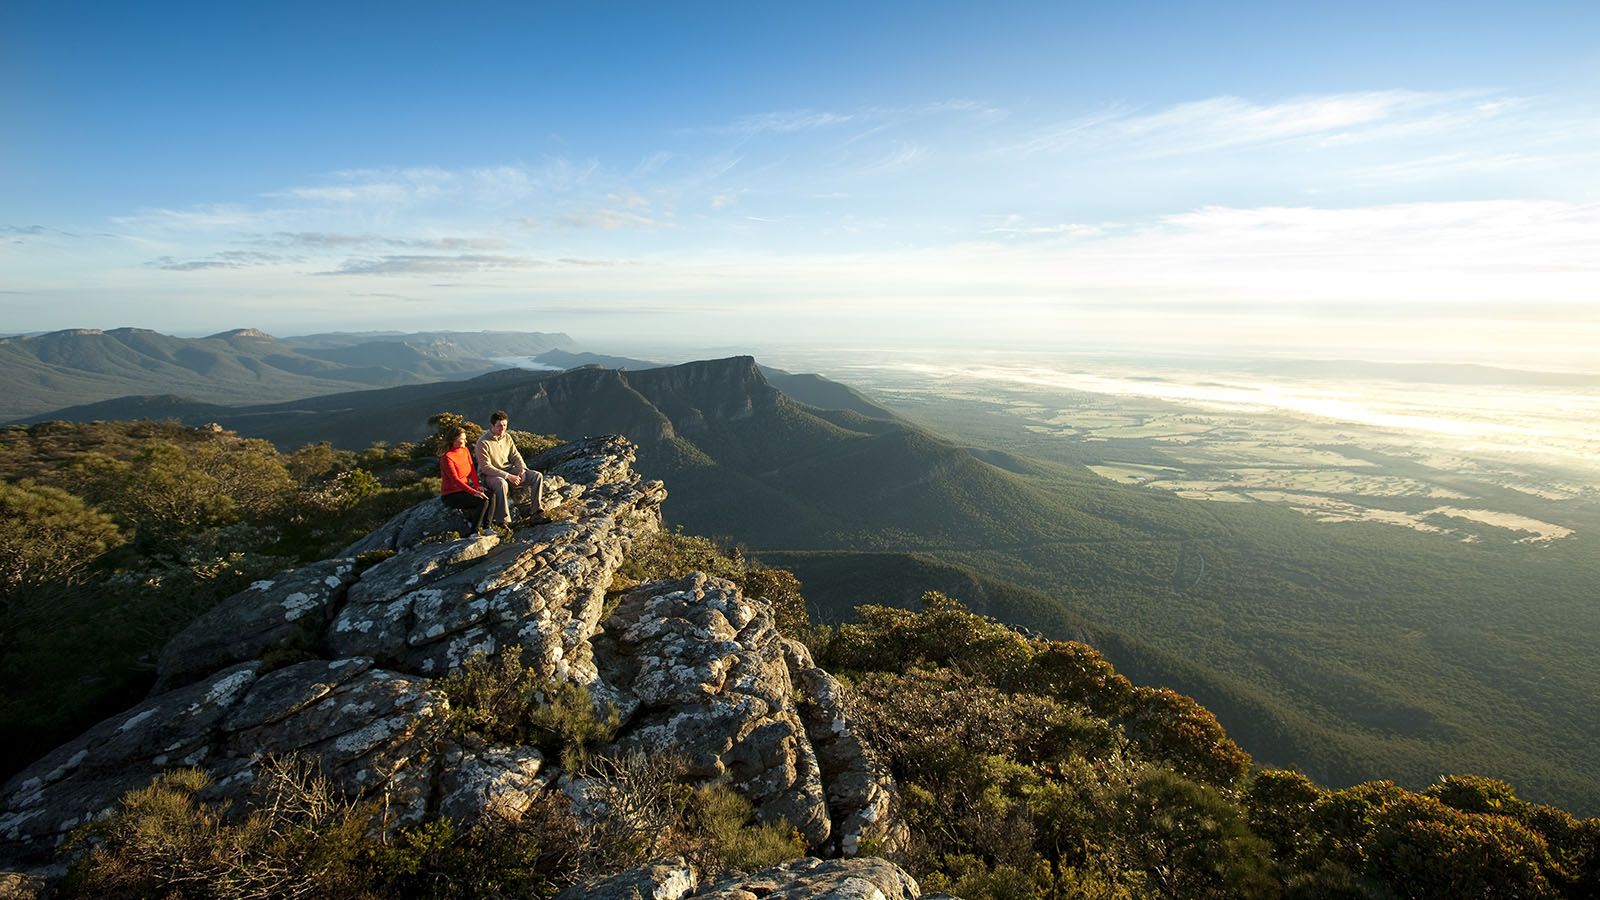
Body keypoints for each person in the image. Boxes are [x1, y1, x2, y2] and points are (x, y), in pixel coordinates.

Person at [475, 410, 544, 527]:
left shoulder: (507, 437)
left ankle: (536, 513)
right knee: (502, 483)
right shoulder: (483, 442)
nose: (503, 428)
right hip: (490, 475)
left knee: (537, 476)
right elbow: (486, 467)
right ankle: (503, 522)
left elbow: (515, 455)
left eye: (505, 425)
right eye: (499, 426)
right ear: (492, 425)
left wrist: (522, 469)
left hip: (508, 469)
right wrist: (508, 476)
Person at [438, 426, 491, 533]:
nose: (465, 441)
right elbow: (455, 480)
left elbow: (471, 470)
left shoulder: (465, 450)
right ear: (453, 439)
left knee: (491, 494)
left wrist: (477, 486)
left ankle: (487, 528)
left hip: (464, 489)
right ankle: (474, 532)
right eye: (462, 439)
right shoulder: (447, 457)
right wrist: (474, 492)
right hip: (451, 495)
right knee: (483, 500)